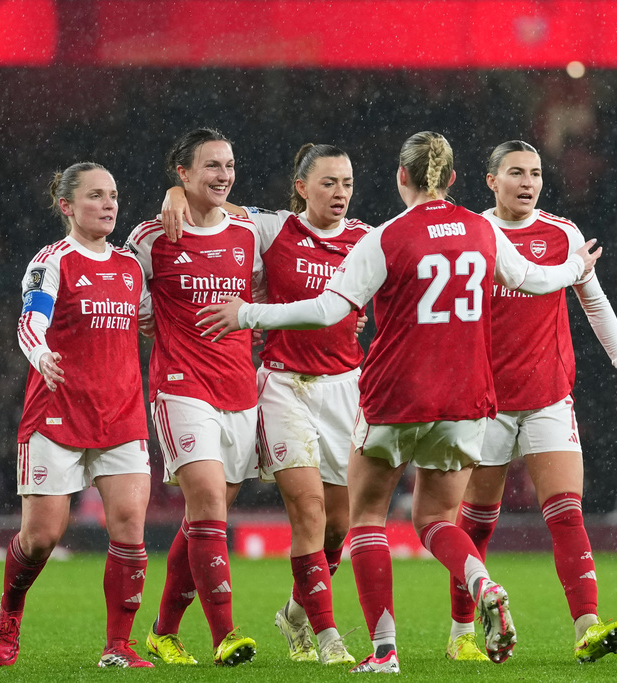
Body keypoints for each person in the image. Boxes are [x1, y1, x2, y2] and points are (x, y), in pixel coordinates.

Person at [198, 131, 600, 672]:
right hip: (465, 401)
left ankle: (384, 650)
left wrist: (247, 314)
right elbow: (533, 280)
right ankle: (482, 580)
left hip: (396, 396)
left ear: (400, 178)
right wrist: (577, 268)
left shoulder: (385, 238)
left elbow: (325, 310)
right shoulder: (482, 230)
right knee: (436, 519)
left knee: (366, 519)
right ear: (456, 179)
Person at [161, 143, 366, 666]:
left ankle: (296, 613)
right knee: (309, 510)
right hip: (282, 386)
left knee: (340, 525)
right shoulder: (271, 229)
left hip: (345, 386)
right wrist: (171, 191)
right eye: (327, 183)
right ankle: (326, 637)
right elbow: (209, 206)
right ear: (301, 188)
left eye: (345, 182)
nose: (339, 193)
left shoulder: (367, 241)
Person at [441, 140, 617, 665]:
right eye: (515, 173)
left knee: (567, 514)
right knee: (477, 523)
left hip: (549, 396)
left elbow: (593, 299)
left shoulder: (561, 233)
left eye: (535, 173)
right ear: (490, 180)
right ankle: (461, 633)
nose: (527, 183)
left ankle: (588, 627)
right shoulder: (472, 235)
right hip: (487, 403)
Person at [0, 162, 156, 669]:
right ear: (66, 206)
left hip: (121, 414)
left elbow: (153, 322)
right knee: (42, 538)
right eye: (95, 196)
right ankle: (9, 611)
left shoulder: (130, 267)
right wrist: (40, 355)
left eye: (114, 195)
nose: (109, 205)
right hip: (57, 414)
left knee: (129, 527)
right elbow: (31, 319)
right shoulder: (53, 260)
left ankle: (118, 648)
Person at [126, 128, 262, 667]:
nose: (223, 175)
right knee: (206, 504)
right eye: (211, 166)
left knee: (204, 517)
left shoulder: (251, 231)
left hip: (240, 388)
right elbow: (128, 299)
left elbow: (273, 282)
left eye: (229, 165)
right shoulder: (150, 237)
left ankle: (162, 631)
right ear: (181, 174)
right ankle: (225, 635)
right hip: (181, 386)